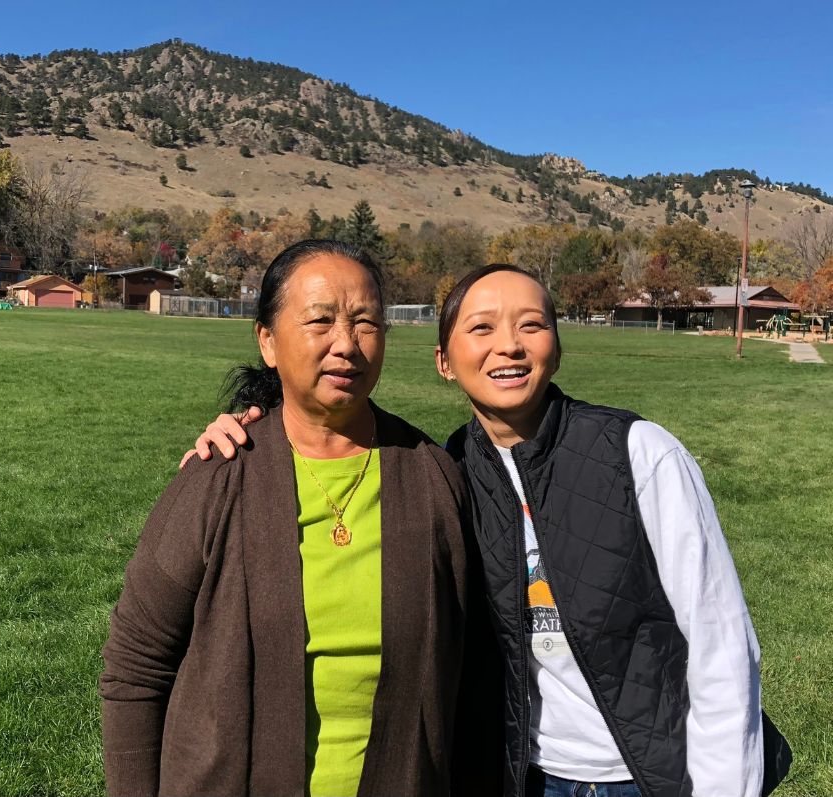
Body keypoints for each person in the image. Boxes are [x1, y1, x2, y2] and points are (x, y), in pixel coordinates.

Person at [188, 264, 790, 797]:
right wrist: (255, 428)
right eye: (481, 329)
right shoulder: (446, 471)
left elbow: (721, 645)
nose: (510, 346)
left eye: (532, 325)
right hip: (516, 772)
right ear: (444, 362)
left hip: (646, 774)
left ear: (556, 345)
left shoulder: (640, 453)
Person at [100, 240, 499, 797]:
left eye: (365, 322)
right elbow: (135, 668)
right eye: (320, 320)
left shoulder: (434, 476)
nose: (346, 344)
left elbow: (476, 672)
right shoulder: (219, 477)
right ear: (267, 340)